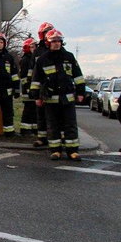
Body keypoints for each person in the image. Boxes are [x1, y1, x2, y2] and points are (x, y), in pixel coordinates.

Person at [30, 30, 86, 160]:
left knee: (70, 124)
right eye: (53, 41)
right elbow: (36, 79)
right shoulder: (42, 59)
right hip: (50, 99)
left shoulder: (69, 57)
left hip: (67, 97)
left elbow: (78, 76)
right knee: (52, 125)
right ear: (48, 43)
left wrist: (81, 92)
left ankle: (72, 151)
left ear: (61, 42)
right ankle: (55, 150)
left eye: (58, 41)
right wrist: (36, 96)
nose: (56, 44)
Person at [31, 22, 54, 147]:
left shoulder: (57, 48)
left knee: (55, 115)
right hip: (40, 87)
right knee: (40, 114)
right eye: (46, 32)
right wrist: (32, 89)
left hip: (54, 87)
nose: (49, 34)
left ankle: (55, 138)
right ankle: (42, 138)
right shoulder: (37, 51)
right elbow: (32, 71)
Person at [18, 38, 38, 136]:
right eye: (32, 47)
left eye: (34, 47)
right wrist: (28, 88)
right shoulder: (26, 60)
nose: (34, 49)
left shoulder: (33, 58)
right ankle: (25, 130)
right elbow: (23, 76)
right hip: (28, 89)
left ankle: (34, 129)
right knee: (28, 110)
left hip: (32, 89)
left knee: (34, 110)